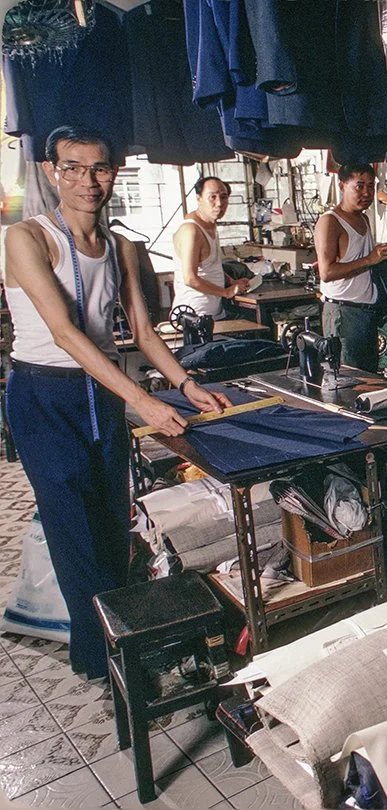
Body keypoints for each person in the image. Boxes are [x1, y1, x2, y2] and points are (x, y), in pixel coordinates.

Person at [2, 127, 232, 679]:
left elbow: (145, 332)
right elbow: (64, 333)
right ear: (53, 172)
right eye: (73, 168)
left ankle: (122, 640)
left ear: (114, 172)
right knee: (72, 528)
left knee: (111, 522)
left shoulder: (120, 247)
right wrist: (141, 403)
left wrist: (183, 384)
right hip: (44, 393)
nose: (87, 180)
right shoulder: (25, 238)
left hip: (99, 393)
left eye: (99, 168)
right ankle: (102, 660)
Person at [316, 163, 387, 372]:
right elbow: (327, 272)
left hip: (365, 313)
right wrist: (369, 259)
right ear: (342, 186)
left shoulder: (364, 218)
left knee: (369, 379)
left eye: (370, 186)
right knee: (350, 382)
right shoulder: (330, 222)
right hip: (343, 314)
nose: (366, 193)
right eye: (359, 186)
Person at [171, 176, 248, 320]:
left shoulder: (211, 225)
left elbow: (210, 267)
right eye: (212, 197)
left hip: (213, 313)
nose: (219, 203)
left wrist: (231, 282)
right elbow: (190, 278)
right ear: (198, 198)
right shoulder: (191, 231)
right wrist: (226, 292)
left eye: (223, 197)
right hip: (193, 316)